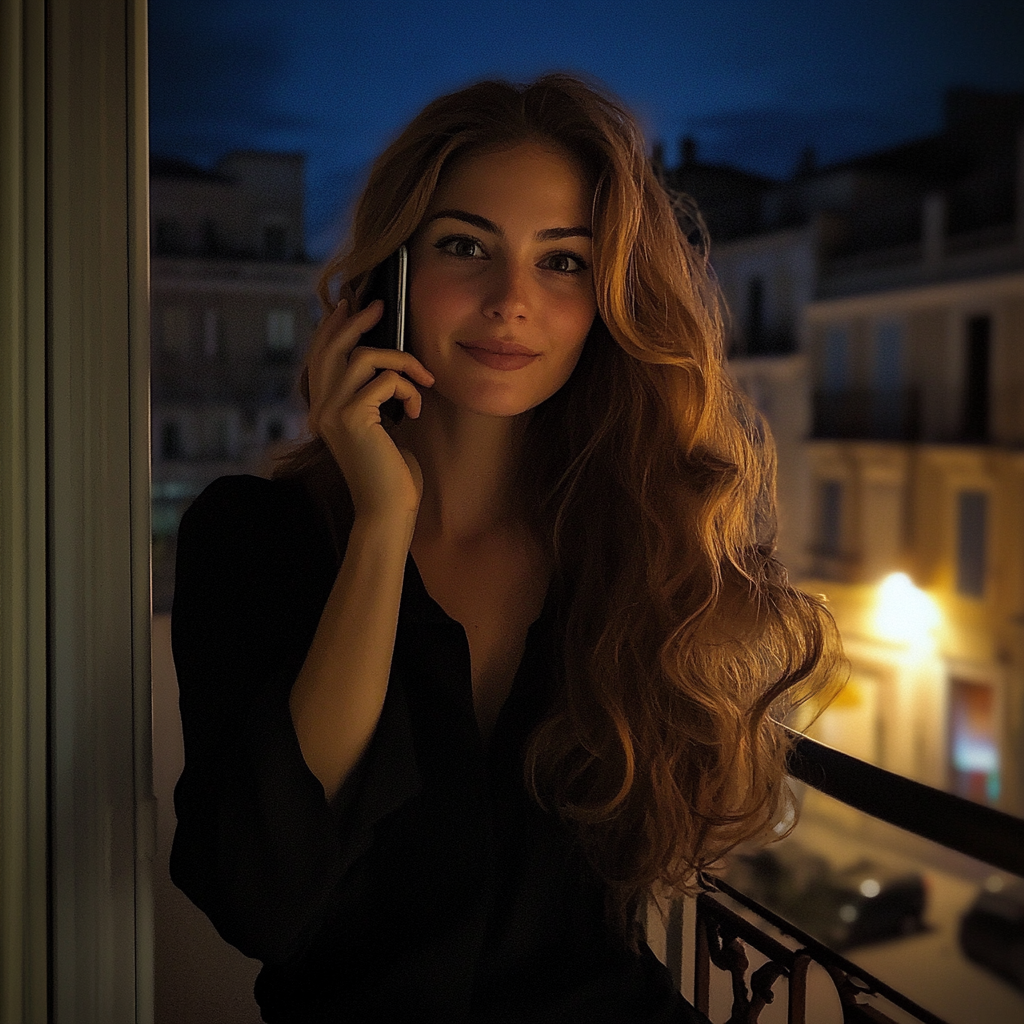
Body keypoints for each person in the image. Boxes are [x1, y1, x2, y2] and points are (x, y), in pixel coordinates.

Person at [170, 74, 842, 1023]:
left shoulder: (634, 551)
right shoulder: (251, 539)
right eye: (464, 247)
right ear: (389, 277)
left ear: (606, 300)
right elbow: (260, 898)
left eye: (563, 262)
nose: (510, 301)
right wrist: (380, 529)